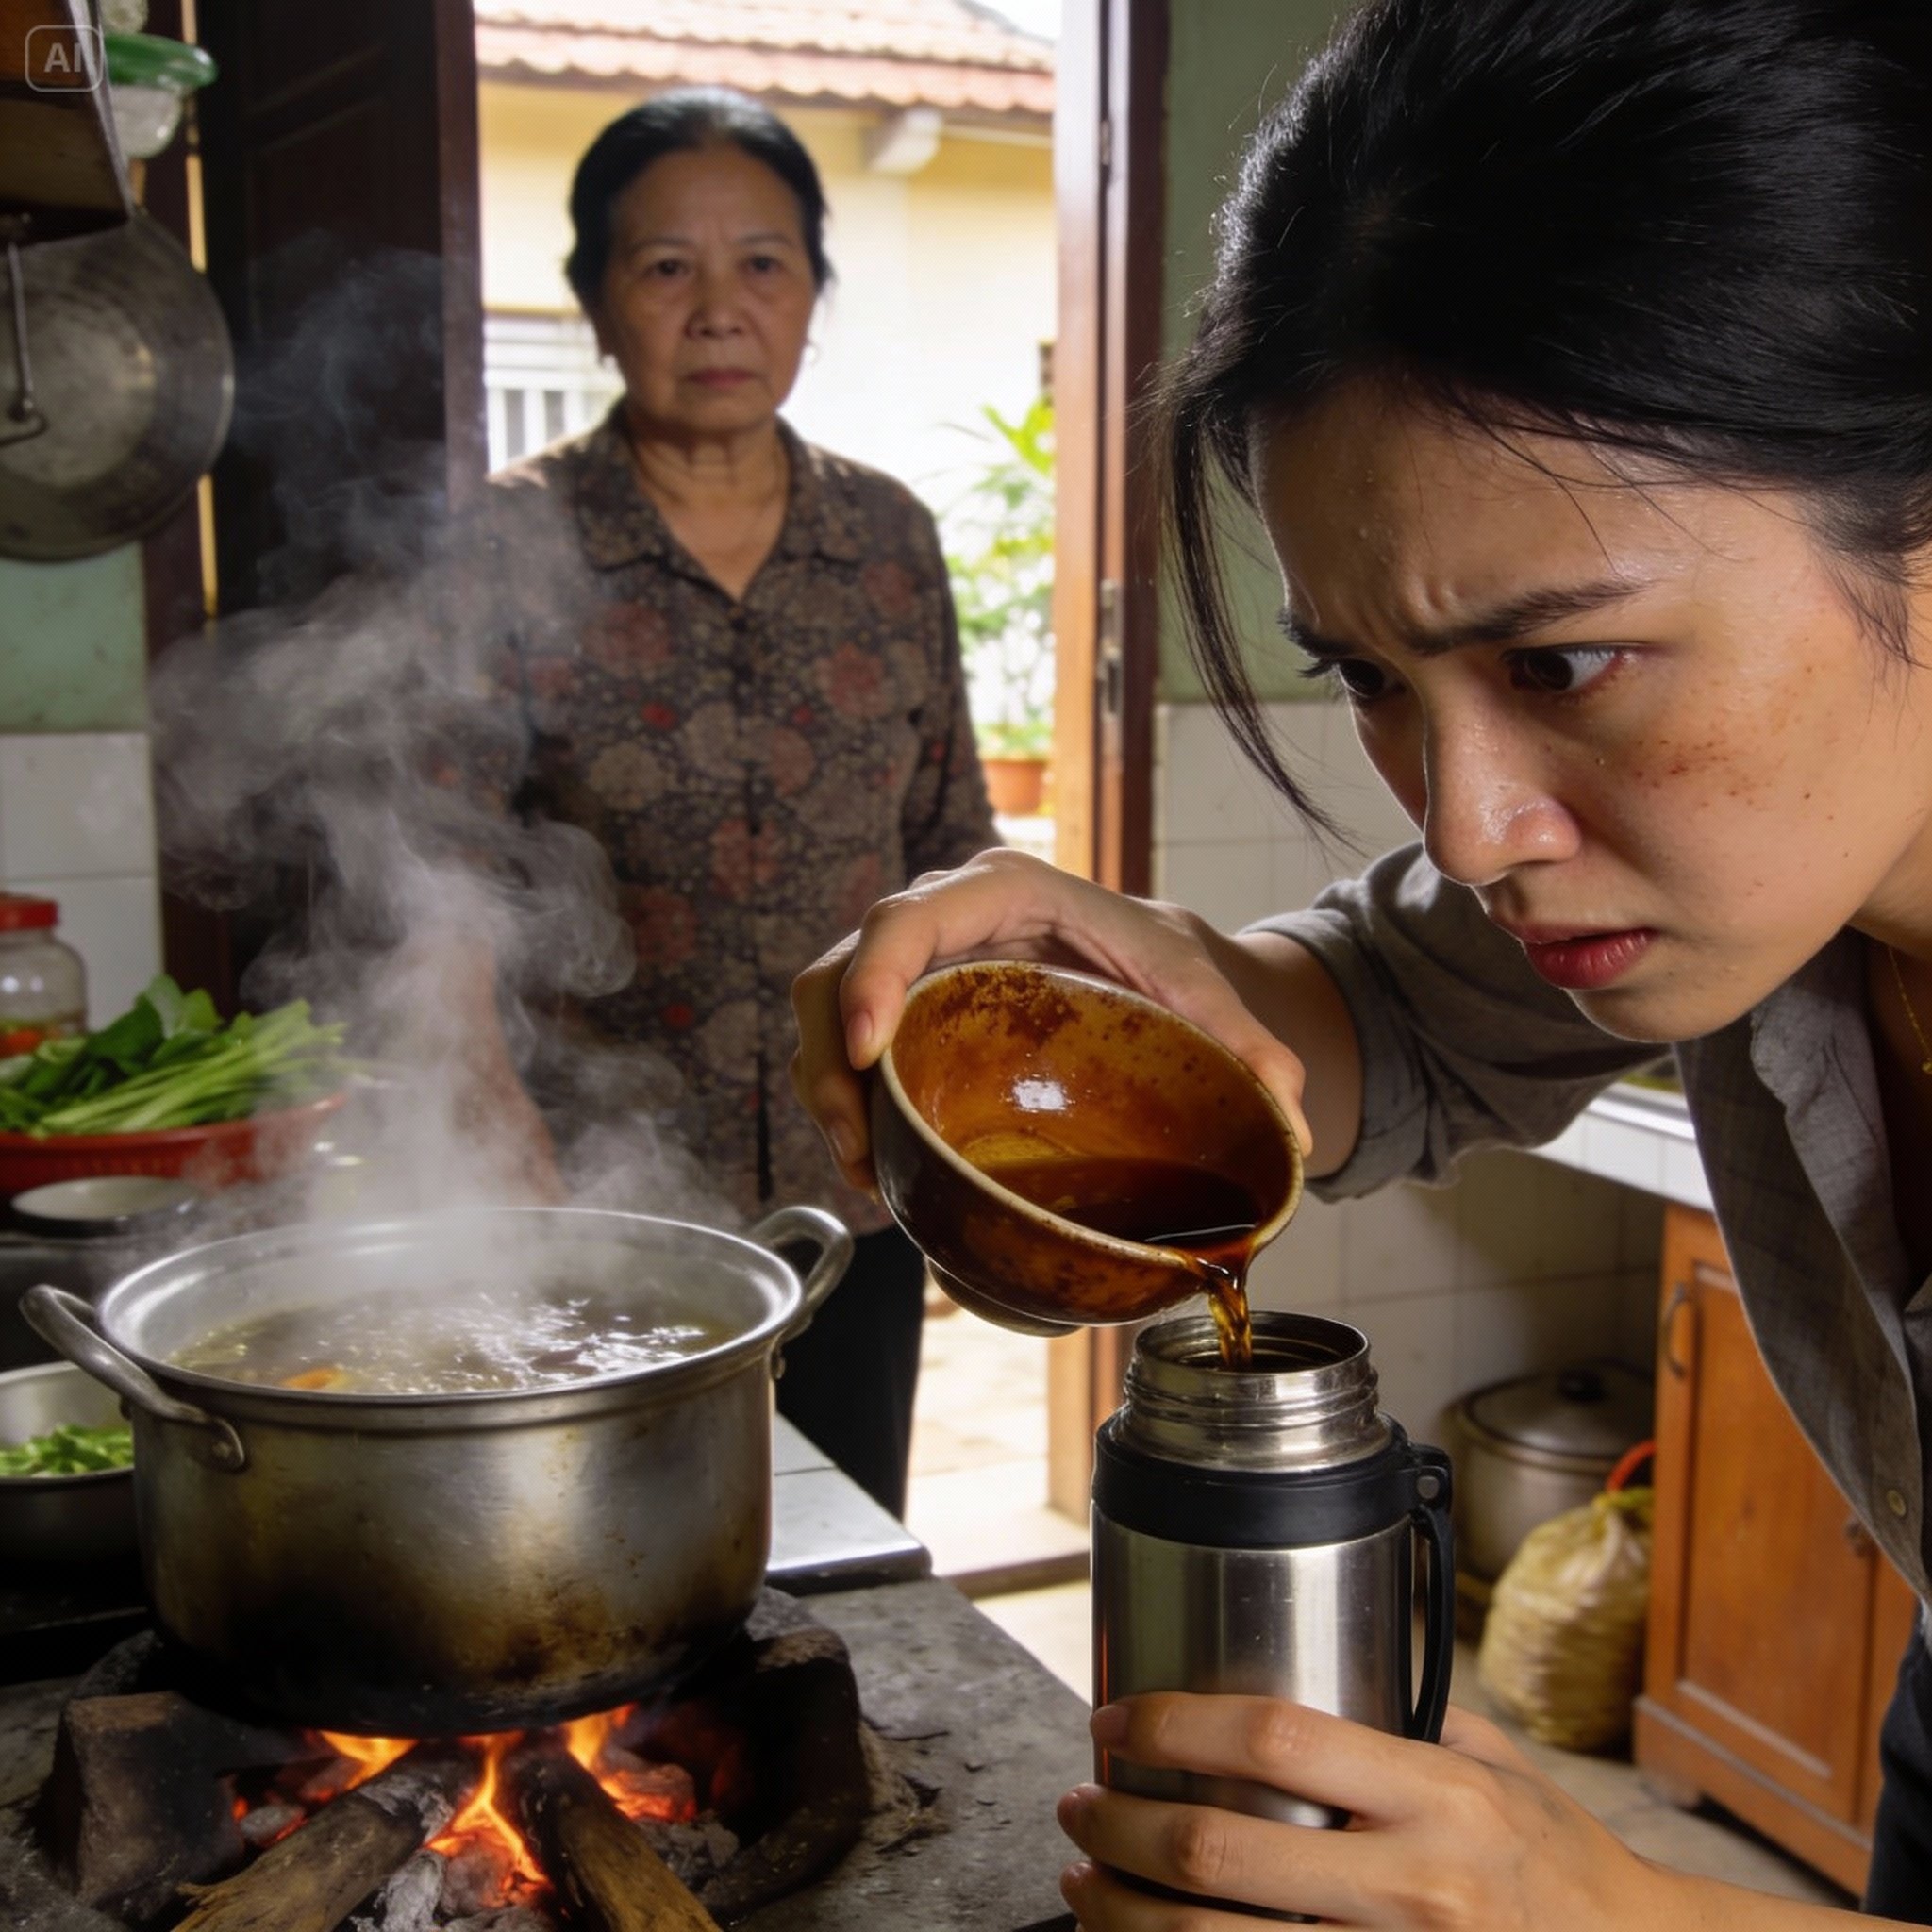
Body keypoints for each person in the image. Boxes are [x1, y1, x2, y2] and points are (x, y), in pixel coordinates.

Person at [789, 0, 1932, 1922]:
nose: (1468, 825)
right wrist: (1150, 991)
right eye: (1372, 677)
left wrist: (1609, 1909)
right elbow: (1377, 1015)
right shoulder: (1756, 875)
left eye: (1560, 663)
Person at [465, 87, 996, 1517]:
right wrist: (499, 1124)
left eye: (763, 263)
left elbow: (951, 840)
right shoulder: (512, 541)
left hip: (859, 1175)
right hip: (602, 1181)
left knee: (845, 1531)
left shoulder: (888, 540)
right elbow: (441, 876)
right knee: (615, 1540)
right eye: (664, 267)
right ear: (592, 301)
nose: (719, 309)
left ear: (813, 295)